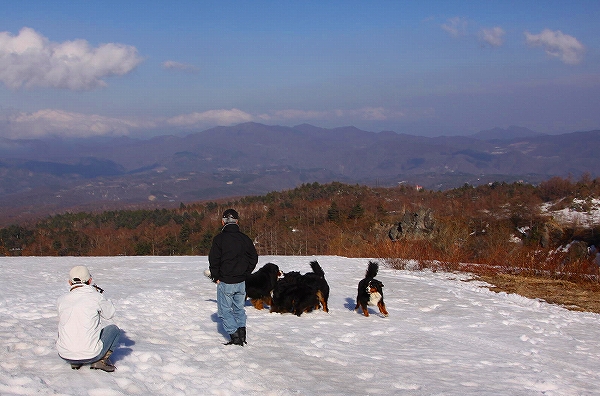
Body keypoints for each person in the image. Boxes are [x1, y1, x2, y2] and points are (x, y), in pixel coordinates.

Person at [56, 265, 121, 372]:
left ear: (69, 282)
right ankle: (100, 361)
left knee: (68, 324)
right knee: (114, 330)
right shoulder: (96, 297)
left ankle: (74, 362)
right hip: (91, 355)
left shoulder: (61, 299)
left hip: (64, 355)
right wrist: (101, 297)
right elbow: (109, 314)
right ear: (90, 280)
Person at [209, 209, 258, 346]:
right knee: (239, 309)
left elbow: (214, 260)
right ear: (237, 221)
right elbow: (253, 257)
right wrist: (246, 272)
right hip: (241, 281)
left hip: (226, 280)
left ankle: (236, 338)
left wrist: (216, 277)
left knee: (224, 311)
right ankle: (242, 336)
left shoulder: (219, 239)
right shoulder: (245, 238)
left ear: (222, 222)